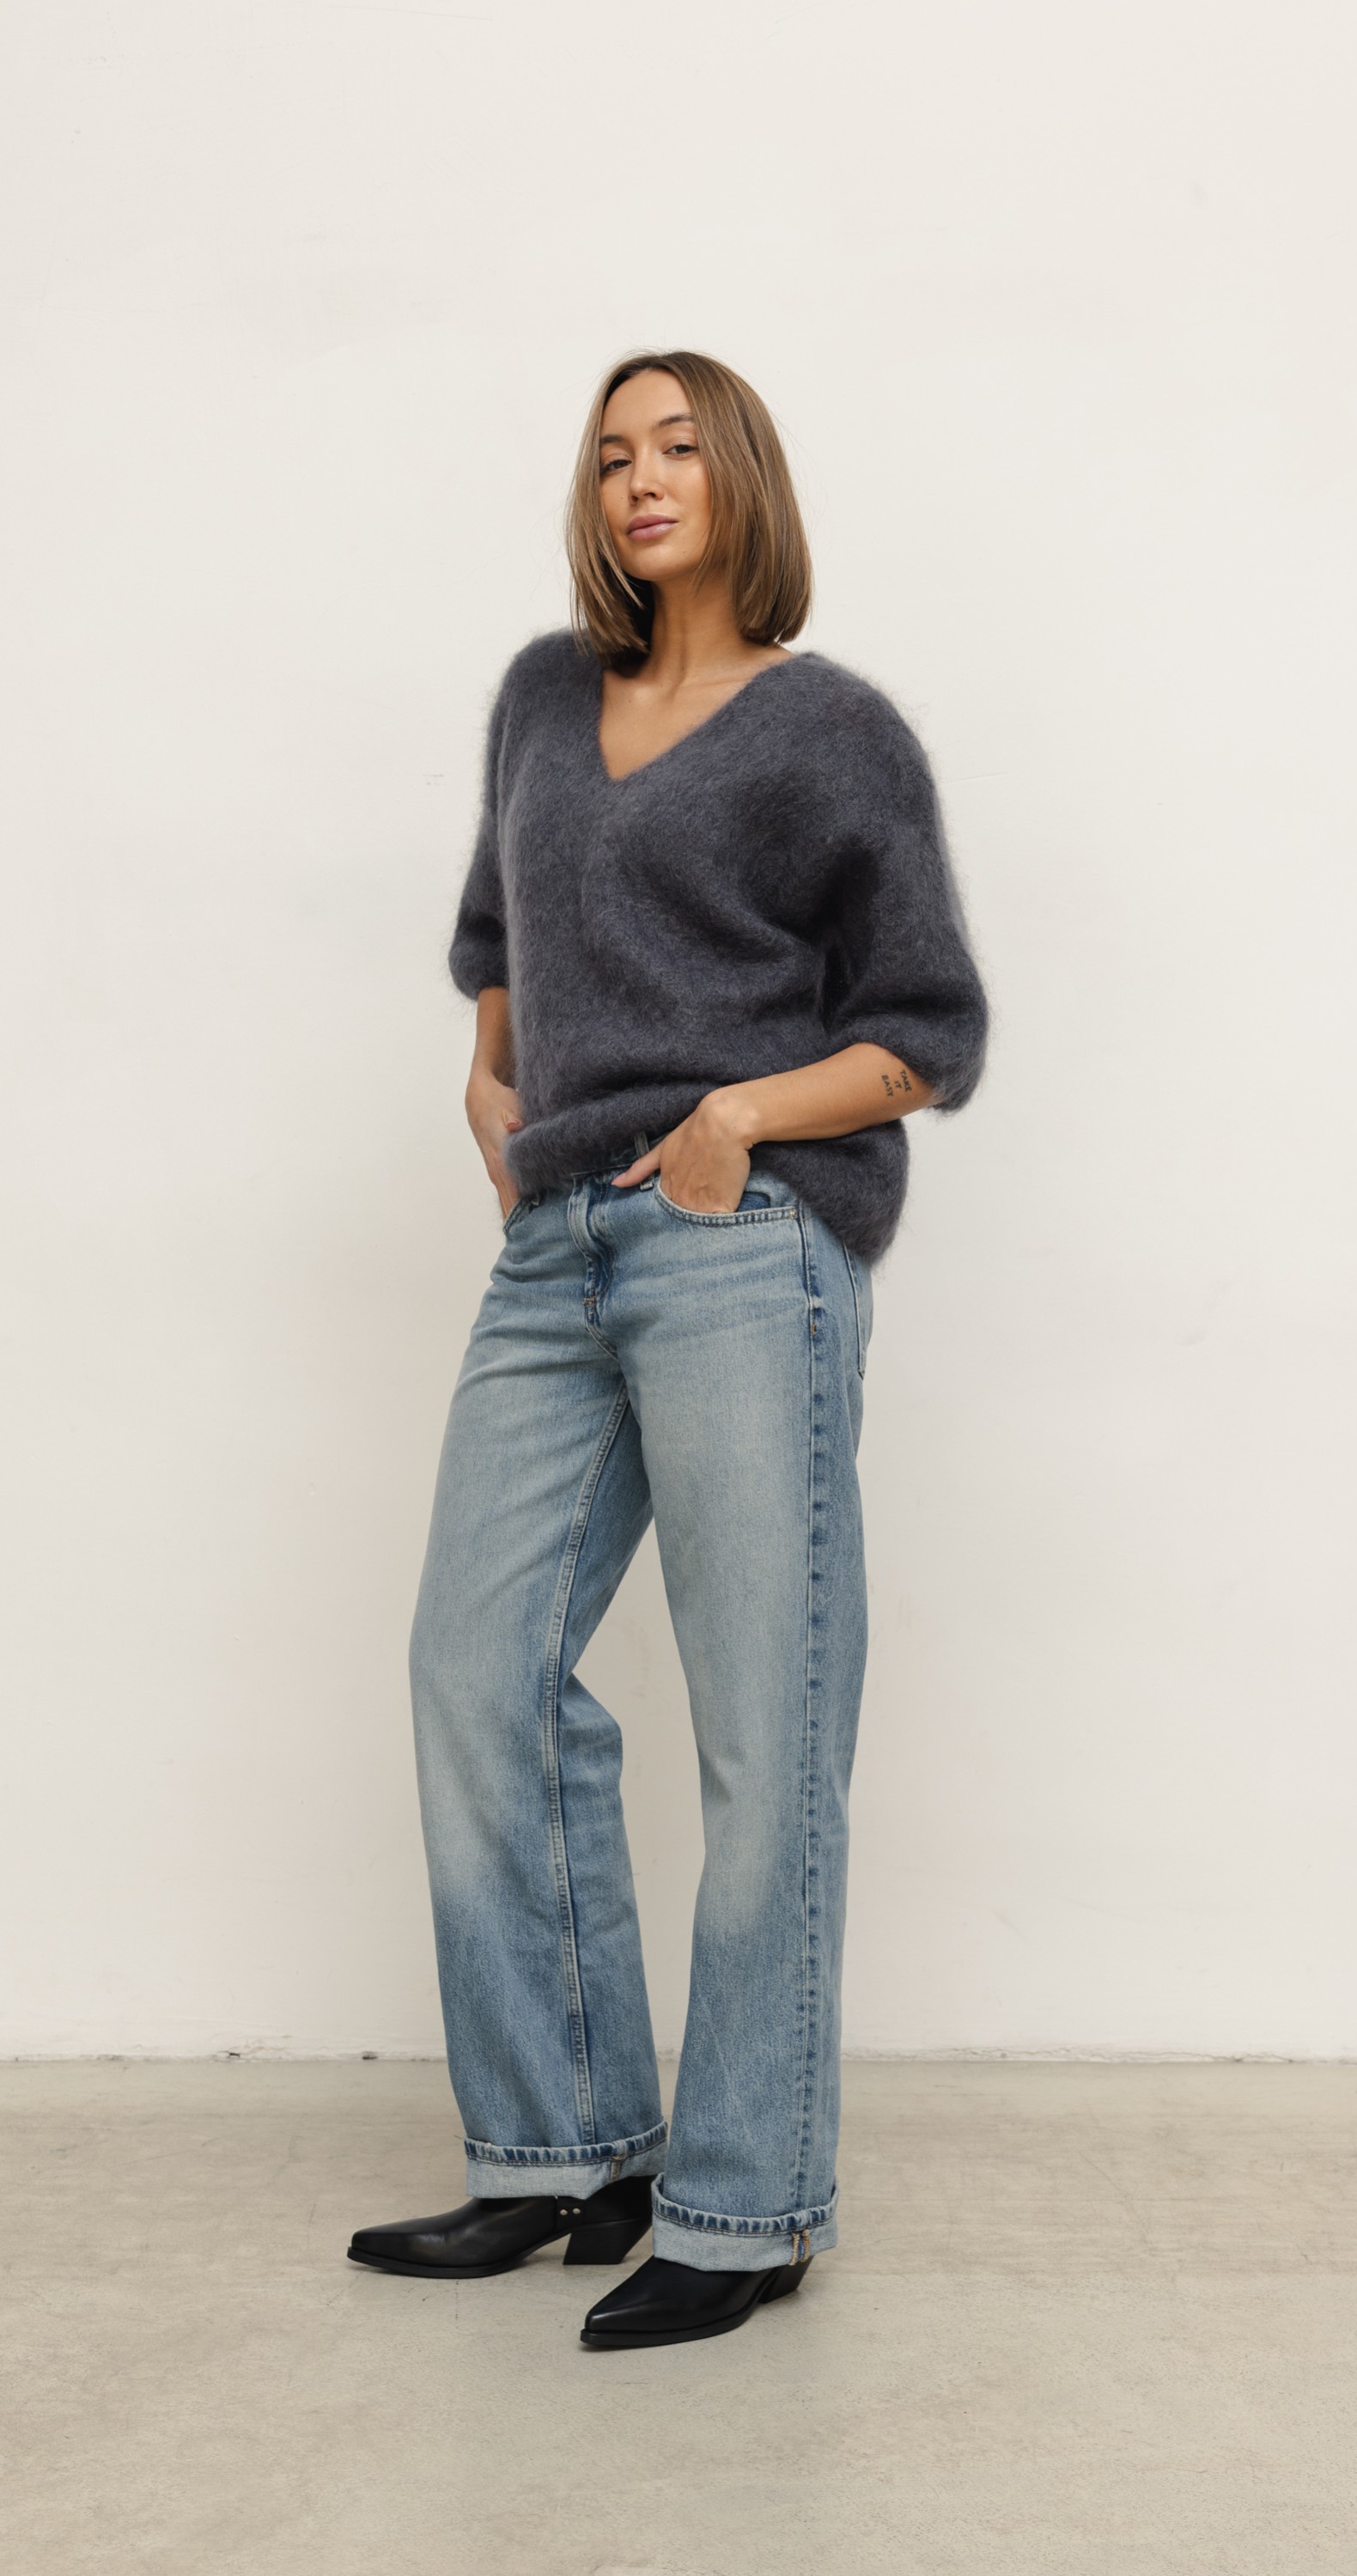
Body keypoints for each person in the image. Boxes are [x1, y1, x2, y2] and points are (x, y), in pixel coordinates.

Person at [348, 350, 989, 2350]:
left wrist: (734, 1122)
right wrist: (490, 1084)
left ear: (742, 477)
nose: (639, 478)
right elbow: (501, 938)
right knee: (473, 1668)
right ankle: (565, 2154)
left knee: (760, 1723)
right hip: (554, 1241)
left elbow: (927, 1035)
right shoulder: (545, 699)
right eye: (612, 452)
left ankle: (746, 2203)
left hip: (741, 1242)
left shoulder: (834, 733)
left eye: (678, 446)